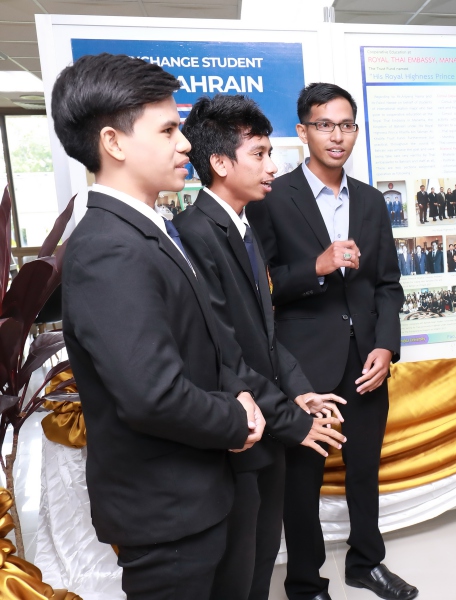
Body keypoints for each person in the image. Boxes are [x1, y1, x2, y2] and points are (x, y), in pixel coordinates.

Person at [55, 53, 264, 599]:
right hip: (167, 513)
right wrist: (237, 419)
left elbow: (215, 339)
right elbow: (152, 395)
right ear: (114, 143)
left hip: (203, 492)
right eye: (169, 129)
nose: (186, 144)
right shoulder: (107, 249)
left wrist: (242, 395)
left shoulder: (154, 227)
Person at [247, 83, 415, 600]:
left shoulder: (369, 200)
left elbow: (388, 283)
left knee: (365, 471)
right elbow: (261, 286)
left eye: (346, 125)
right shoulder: (273, 199)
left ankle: (367, 563)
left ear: (356, 132)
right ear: (302, 132)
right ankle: (305, 582)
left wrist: (386, 346)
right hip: (303, 368)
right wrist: (315, 268)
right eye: (323, 125)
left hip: (365, 362)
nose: (336, 136)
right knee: (303, 484)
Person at [176, 94, 346, 600]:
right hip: (241, 433)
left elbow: (264, 333)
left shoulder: (244, 226)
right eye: (260, 154)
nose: (273, 165)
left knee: (260, 558)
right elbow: (225, 352)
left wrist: (299, 392)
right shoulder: (195, 235)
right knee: (238, 571)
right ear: (220, 163)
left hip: (269, 424)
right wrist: (296, 423)